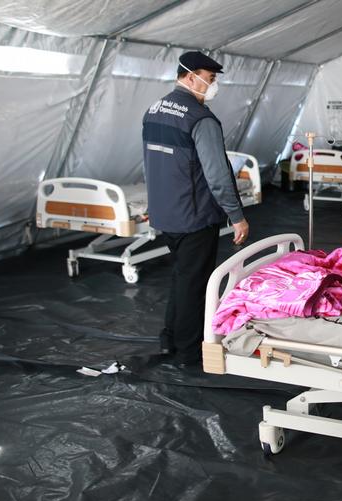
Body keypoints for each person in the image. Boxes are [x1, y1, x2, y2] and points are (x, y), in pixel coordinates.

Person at [142, 51, 249, 367]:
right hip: (195, 215)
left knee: (181, 277)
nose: (213, 85)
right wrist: (237, 215)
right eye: (211, 79)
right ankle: (188, 352)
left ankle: (169, 339)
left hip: (167, 213)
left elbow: (153, 165)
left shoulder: (153, 110)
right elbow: (217, 173)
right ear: (191, 76)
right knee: (195, 284)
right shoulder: (200, 118)